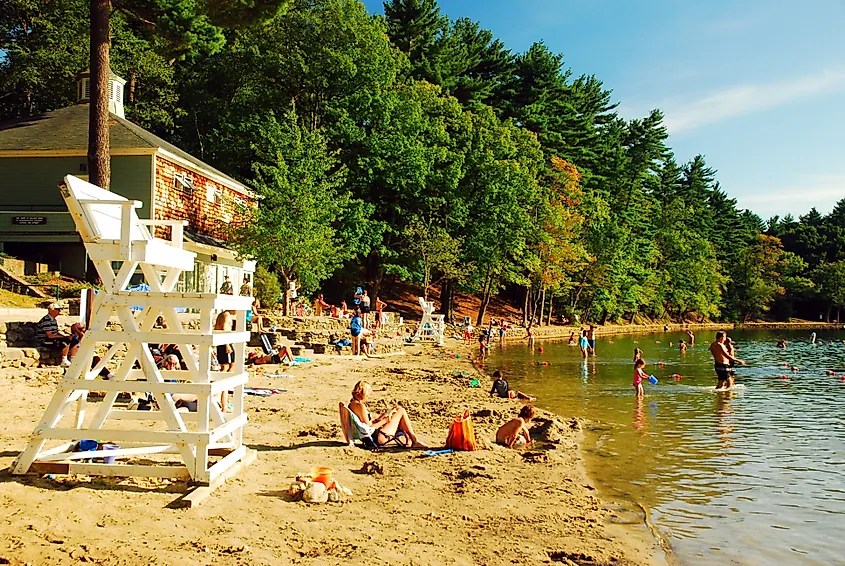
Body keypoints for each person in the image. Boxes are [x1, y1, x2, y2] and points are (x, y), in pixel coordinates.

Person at [349, 380, 428, 448]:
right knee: (401, 410)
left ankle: (409, 440)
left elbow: (365, 424)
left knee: (396, 411)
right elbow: (369, 428)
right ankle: (414, 441)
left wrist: (378, 419)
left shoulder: (352, 404)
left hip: (371, 437)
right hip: (378, 438)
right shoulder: (360, 406)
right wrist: (385, 420)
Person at [214, 310, 235, 407]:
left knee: (226, 368)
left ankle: (223, 396)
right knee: (226, 369)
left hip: (221, 343)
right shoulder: (226, 315)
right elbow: (223, 329)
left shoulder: (221, 315)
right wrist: (227, 345)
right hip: (225, 343)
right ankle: (223, 397)